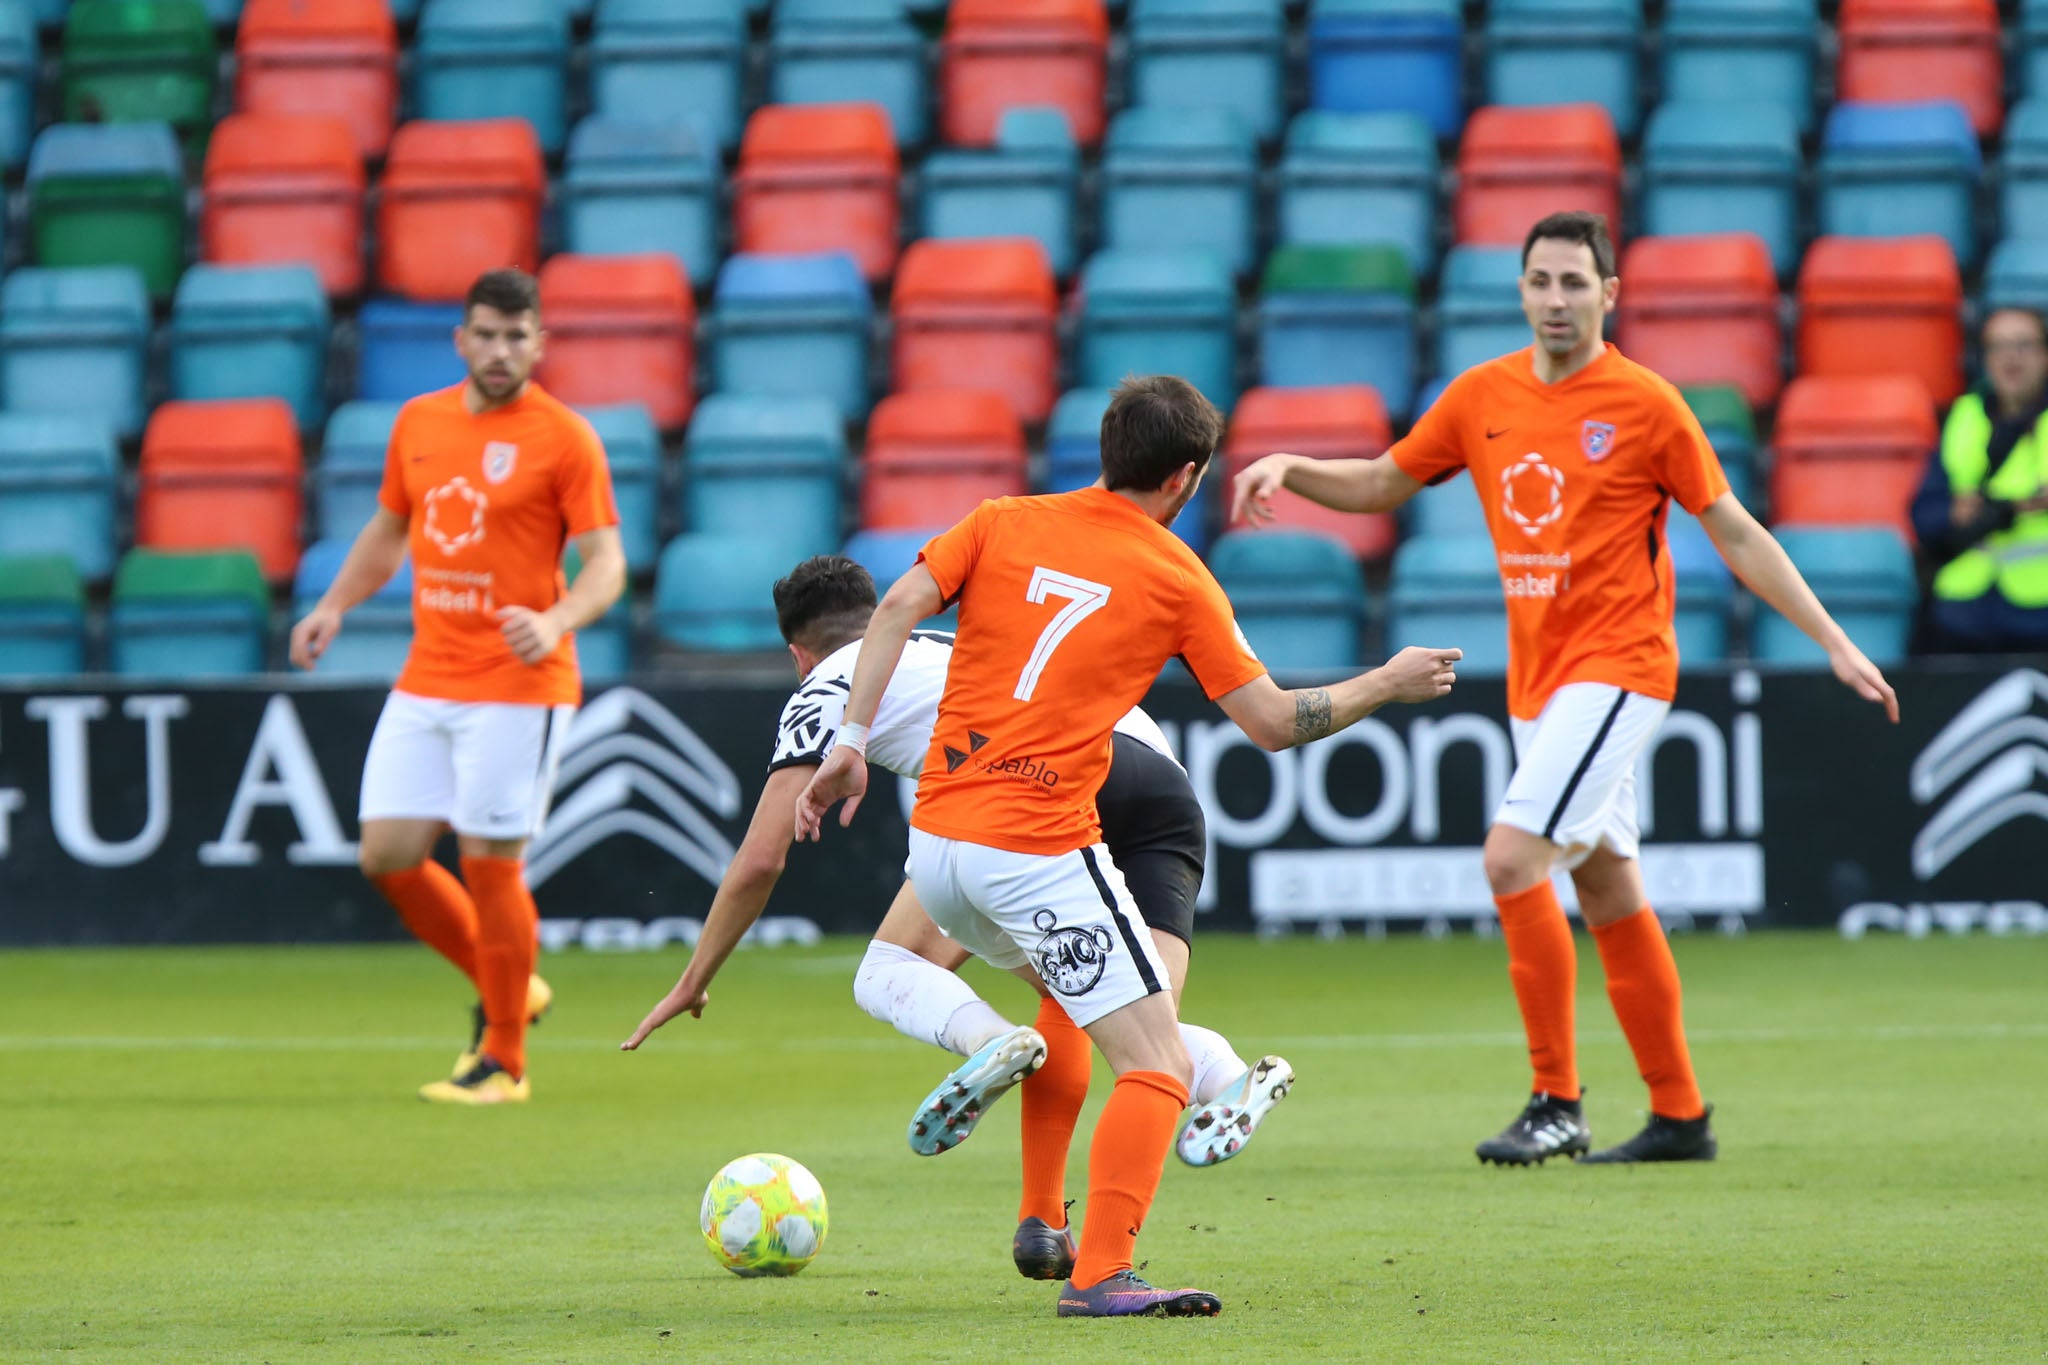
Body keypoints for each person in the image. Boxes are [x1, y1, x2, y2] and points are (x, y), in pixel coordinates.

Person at [1233, 211, 1900, 1167]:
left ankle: (1556, 1100)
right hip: (1539, 683)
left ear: (1609, 294)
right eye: (1540, 281)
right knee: (1603, 880)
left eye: (1574, 283)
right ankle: (1679, 1115)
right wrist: (1294, 465)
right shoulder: (1483, 394)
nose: (1556, 299)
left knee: (1510, 859)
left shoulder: (1647, 404)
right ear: (1520, 291)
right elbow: (1385, 482)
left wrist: (1832, 639)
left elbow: (1736, 529)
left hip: (1621, 667)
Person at [796, 375, 1462, 1317]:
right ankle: (1102, 1269)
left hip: (939, 849)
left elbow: (899, 604)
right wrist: (1385, 683)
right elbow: (1272, 722)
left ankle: (1054, 1188)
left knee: (1080, 1001)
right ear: (1186, 477)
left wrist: (853, 742)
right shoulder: (1178, 573)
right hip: (1037, 844)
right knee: (1157, 1063)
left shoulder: (1001, 518)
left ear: (1106, 450)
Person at [622, 556, 1294, 1277]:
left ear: (797, 652)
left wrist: (695, 977)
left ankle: (989, 1040)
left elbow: (760, 859)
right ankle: (1208, 1091)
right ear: (881, 611)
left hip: (1030, 800)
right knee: (1113, 1010)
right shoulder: (941, 643)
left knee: (888, 967)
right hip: (1156, 784)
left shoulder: (827, 683)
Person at [289, 269, 626, 1106]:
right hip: (428, 676)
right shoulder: (420, 421)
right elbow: (389, 529)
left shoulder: (563, 437)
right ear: (461, 340)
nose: (501, 350)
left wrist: (555, 621)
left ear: (540, 343)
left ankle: (503, 1059)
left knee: (489, 863)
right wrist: (333, 604)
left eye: (518, 335)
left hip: (519, 684)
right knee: (388, 857)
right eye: (486, 333)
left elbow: (607, 564)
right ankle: (510, 979)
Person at [1910, 306, 2048, 655]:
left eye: (2024, 345)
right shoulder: (1965, 416)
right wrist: (1955, 515)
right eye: (1999, 347)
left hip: (2039, 609)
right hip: (1965, 607)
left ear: (2044, 354)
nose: (2011, 358)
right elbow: (1924, 514)